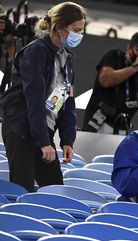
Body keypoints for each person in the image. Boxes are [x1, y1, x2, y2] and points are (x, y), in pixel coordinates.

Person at [0, 2, 87, 192]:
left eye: (81, 30)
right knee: (22, 188)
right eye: (76, 30)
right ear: (60, 28)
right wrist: (43, 142)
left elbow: (67, 102)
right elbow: (34, 100)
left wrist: (67, 140)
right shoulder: (35, 51)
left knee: (55, 188)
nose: (79, 35)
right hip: (21, 127)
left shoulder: (67, 59)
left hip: (42, 130)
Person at [83, 31, 138, 134]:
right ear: (129, 48)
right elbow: (105, 80)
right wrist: (135, 67)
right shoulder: (116, 56)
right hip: (99, 124)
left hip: (123, 127)